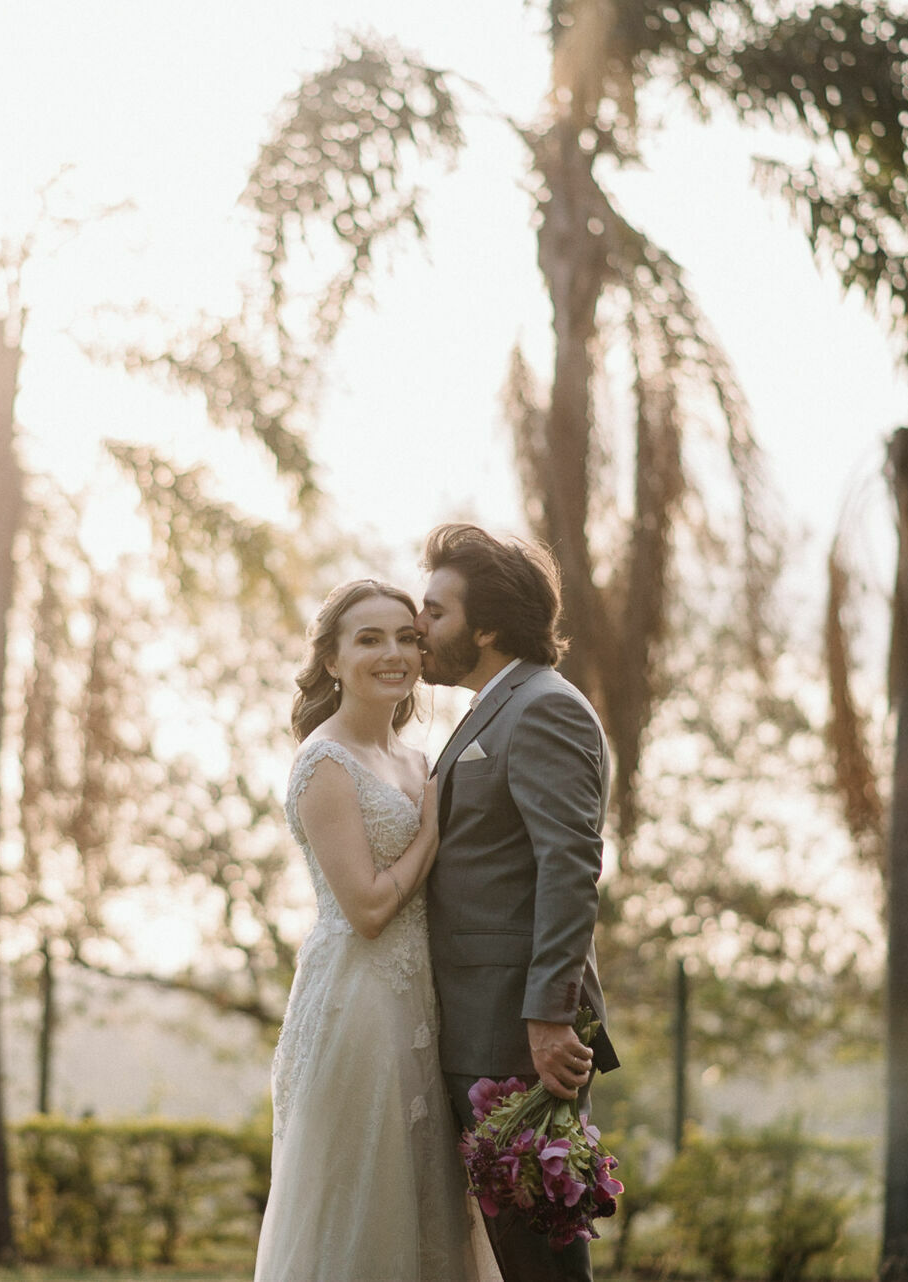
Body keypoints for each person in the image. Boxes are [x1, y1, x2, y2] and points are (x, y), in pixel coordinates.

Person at [254, 579, 497, 1282]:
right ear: (332, 660)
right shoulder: (324, 763)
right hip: (357, 1006)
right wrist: (430, 828)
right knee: (361, 1202)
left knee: (430, 1203)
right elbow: (364, 909)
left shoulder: (418, 761)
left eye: (406, 638)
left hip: (423, 999)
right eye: (369, 639)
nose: (393, 654)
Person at [417, 524, 619, 1282]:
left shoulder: (544, 708)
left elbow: (570, 865)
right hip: (475, 1018)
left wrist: (548, 1016)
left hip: (516, 1033)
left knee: (541, 1265)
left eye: (436, 611)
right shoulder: (491, 708)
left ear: (489, 625)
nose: (419, 626)